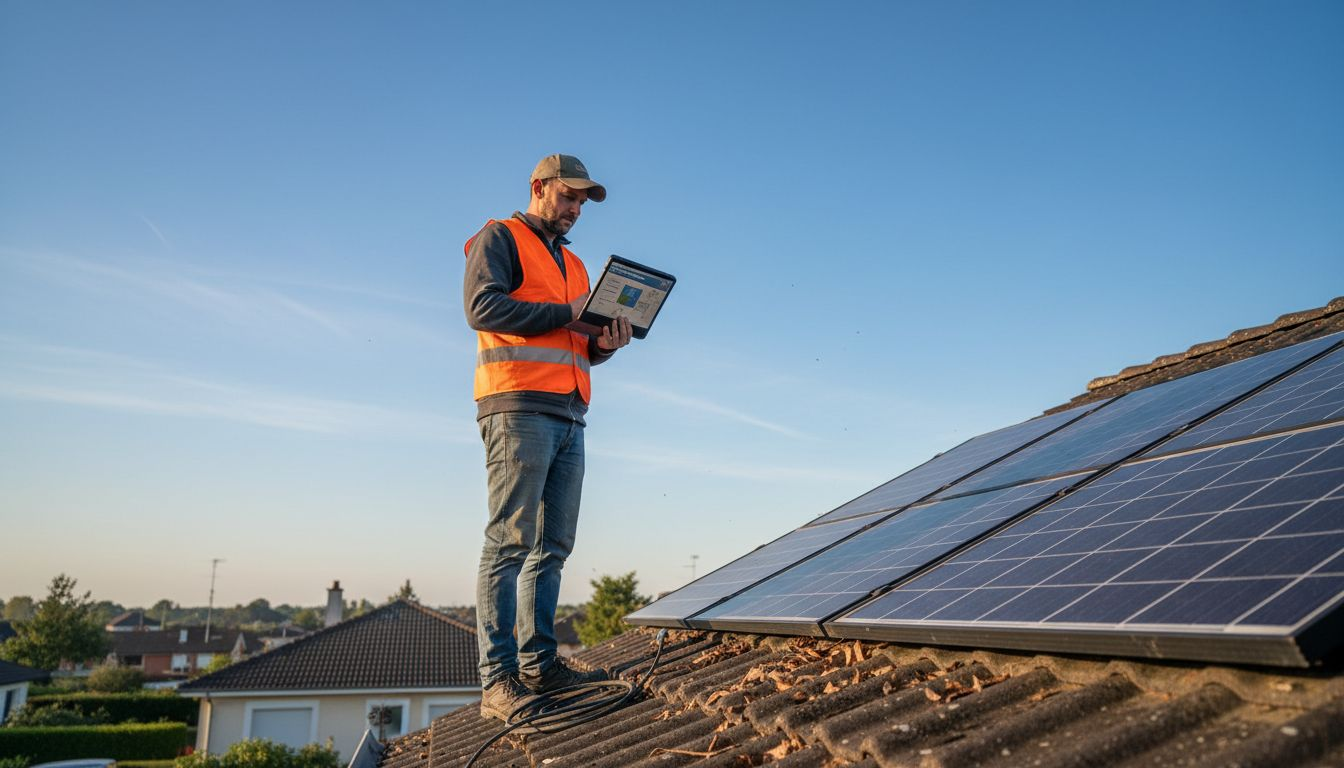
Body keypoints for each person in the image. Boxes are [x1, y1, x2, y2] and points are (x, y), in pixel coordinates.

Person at [462, 154, 633, 720]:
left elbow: (579, 344)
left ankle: (541, 663)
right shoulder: (500, 237)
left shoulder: (580, 267)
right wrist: (568, 312)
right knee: (509, 542)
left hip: (570, 411)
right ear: (538, 188)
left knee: (552, 546)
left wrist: (606, 342)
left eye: (583, 202)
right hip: (516, 405)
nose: (576, 209)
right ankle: (498, 680)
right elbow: (482, 307)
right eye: (568, 197)